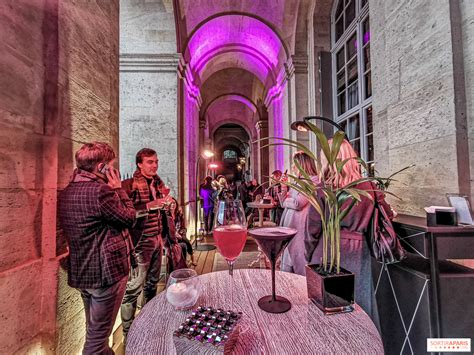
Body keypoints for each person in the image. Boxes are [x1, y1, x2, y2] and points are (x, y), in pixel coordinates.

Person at [305, 140, 394, 326]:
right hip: (359, 251)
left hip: (326, 250)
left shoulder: (322, 189)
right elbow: (388, 214)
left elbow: (312, 229)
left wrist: (308, 254)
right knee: (359, 304)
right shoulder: (369, 187)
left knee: (324, 310)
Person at [58, 142, 136, 354]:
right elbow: (129, 218)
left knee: (94, 331)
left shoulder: (66, 192)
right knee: (96, 342)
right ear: (102, 167)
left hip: (84, 272)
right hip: (106, 272)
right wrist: (119, 189)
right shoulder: (101, 192)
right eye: (111, 165)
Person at [120, 148, 172, 344]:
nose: (154, 165)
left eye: (156, 161)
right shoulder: (130, 185)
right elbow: (125, 213)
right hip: (140, 242)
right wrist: (151, 206)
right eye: (150, 162)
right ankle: (128, 334)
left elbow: (161, 207)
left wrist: (168, 205)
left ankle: (147, 323)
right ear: (139, 164)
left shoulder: (157, 183)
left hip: (157, 238)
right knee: (133, 289)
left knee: (152, 283)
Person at [279, 151, 319, 276]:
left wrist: (286, 200)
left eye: (295, 164)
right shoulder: (298, 182)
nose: (292, 167)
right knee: (287, 262)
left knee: (298, 262)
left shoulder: (313, 181)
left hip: (300, 228)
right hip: (290, 228)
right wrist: (284, 187)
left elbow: (298, 204)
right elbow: (283, 203)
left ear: (303, 165)